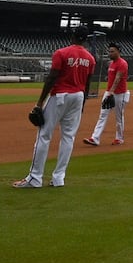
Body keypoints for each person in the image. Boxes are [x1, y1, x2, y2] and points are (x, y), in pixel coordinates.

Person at [13, 26, 96, 189]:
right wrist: (82, 105)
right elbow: (87, 85)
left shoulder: (62, 53)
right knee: (68, 137)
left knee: (44, 135)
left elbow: (52, 77)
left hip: (60, 95)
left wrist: (39, 103)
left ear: (72, 36)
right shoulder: (90, 58)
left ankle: (35, 178)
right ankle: (59, 178)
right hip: (78, 96)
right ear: (85, 39)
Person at [84, 43, 130, 147]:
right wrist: (109, 92)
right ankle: (95, 138)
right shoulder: (111, 63)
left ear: (118, 51)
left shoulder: (122, 63)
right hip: (109, 92)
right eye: (109, 51)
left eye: (112, 51)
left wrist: (111, 92)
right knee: (102, 115)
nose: (110, 53)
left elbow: (118, 79)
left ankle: (119, 138)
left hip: (119, 94)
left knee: (119, 117)